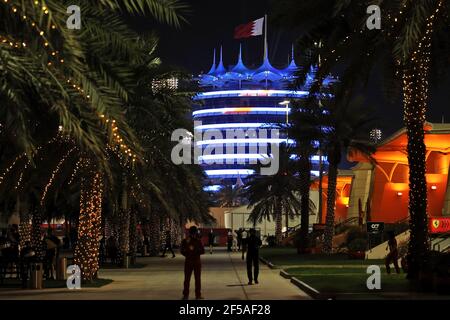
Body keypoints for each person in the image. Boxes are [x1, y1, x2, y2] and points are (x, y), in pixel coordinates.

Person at [180, 226, 205, 300]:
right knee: (197, 279)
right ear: (195, 232)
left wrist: (187, 255)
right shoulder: (198, 240)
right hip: (196, 261)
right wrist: (196, 253)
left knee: (187, 279)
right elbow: (202, 251)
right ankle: (198, 295)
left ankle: (186, 295)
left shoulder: (185, 240)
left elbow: (182, 250)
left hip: (189, 261)